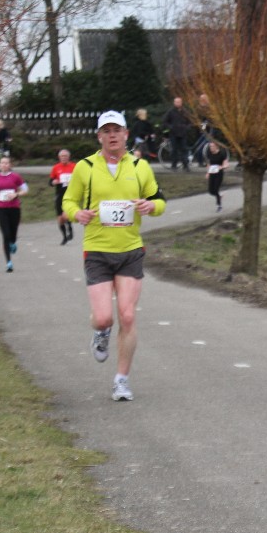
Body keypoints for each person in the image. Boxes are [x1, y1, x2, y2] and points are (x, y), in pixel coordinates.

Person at [62, 110, 167, 402]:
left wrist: (151, 207)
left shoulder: (140, 166)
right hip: (97, 250)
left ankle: (122, 380)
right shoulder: (85, 167)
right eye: (106, 131)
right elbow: (68, 201)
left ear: (125, 134)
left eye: (116, 130)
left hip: (130, 250)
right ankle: (101, 332)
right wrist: (77, 214)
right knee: (103, 318)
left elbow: (159, 200)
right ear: (99, 136)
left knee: (128, 315)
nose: (112, 135)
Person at [0, 155, 27, 272]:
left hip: (14, 209)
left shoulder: (16, 176)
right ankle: (9, 263)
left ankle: (13, 242)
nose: (4, 165)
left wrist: (16, 194)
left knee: (13, 233)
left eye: (6, 163)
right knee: (5, 235)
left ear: (10, 165)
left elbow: (25, 190)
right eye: (2, 163)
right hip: (1, 209)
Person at [49, 148, 76, 245]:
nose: (63, 158)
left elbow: (80, 179)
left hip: (71, 194)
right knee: (60, 218)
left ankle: (70, 228)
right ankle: (64, 236)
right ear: (59, 157)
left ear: (69, 157)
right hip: (59, 194)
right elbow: (50, 182)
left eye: (65, 156)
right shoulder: (56, 168)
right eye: (62, 156)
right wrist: (54, 182)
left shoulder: (74, 166)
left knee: (66, 214)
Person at [162, 97, 193, 172]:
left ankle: (185, 165)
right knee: (174, 150)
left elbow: (190, 121)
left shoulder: (185, 111)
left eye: (179, 102)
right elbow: (165, 121)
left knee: (184, 149)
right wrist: (171, 127)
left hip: (183, 133)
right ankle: (174, 165)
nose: (178, 103)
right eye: (176, 102)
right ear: (174, 103)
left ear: (181, 102)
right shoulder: (171, 112)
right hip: (173, 133)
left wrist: (187, 127)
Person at [204, 140, 229, 211]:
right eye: (210, 146)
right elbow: (209, 164)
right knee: (211, 191)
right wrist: (208, 173)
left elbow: (226, 164)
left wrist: (222, 167)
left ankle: (219, 205)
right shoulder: (209, 154)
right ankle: (219, 196)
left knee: (216, 189)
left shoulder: (221, 154)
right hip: (212, 173)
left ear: (216, 147)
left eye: (212, 146)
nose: (211, 148)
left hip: (219, 174)